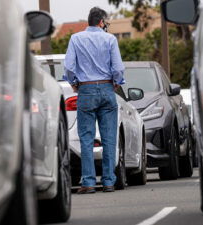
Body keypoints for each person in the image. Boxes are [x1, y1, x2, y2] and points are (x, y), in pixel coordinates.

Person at [63, 7, 125, 194]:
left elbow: (68, 67)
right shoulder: (110, 39)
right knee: (109, 138)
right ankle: (108, 181)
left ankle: (89, 182)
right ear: (101, 22)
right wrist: (115, 82)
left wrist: (74, 83)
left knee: (87, 138)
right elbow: (118, 68)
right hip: (107, 88)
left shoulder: (76, 38)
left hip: (86, 90)